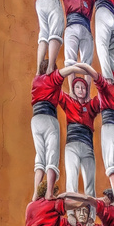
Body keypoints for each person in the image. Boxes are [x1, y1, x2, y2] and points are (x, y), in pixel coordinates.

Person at [31, 59, 86, 200]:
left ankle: (35, 194)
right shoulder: (52, 77)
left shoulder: (36, 80)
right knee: (52, 156)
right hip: (49, 117)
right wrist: (82, 69)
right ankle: (49, 192)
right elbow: (68, 70)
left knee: (40, 157)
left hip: (36, 119)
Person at [77, 64, 114, 205]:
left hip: (110, 127)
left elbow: (93, 74)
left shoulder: (105, 86)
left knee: (111, 164)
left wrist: (79, 66)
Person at [34, 0, 82, 73]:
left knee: (43, 34)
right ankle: (50, 67)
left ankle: (38, 71)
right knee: (56, 31)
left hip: (40, 1)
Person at [58, 75, 99, 196]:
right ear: (73, 90)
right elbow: (56, 90)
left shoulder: (90, 106)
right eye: (77, 87)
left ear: (87, 91)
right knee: (71, 181)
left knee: (90, 184)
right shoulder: (69, 101)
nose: (81, 90)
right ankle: (71, 214)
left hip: (88, 148)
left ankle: (91, 214)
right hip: (72, 146)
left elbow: (102, 97)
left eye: (83, 88)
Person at [61, 0, 95, 67]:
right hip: (72, 27)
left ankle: (87, 82)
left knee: (87, 63)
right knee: (70, 61)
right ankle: (72, 81)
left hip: (86, 30)